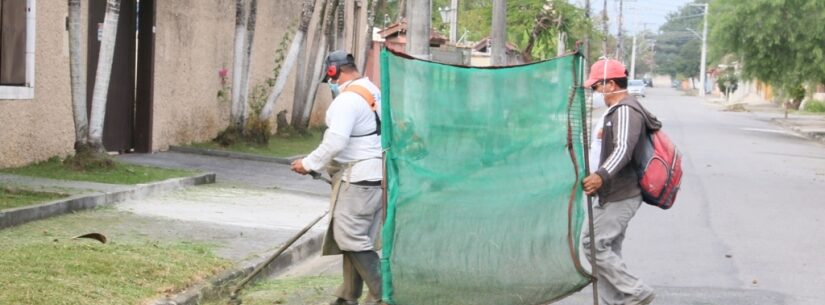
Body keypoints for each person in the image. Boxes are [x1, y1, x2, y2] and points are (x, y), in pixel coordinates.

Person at [291, 50, 383, 305]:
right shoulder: (373, 92)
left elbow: (336, 140)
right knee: (355, 238)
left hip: (359, 179)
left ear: (333, 71)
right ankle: (347, 296)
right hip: (375, 178)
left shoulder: (347, 100)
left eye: (330, 77)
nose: (330, 83)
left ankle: (385, 293)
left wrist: (309, 163)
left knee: (349, 236)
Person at [581, 59, 662, 305]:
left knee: (592, 244)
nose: (594, 92)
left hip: (620, 192)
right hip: (611, 192)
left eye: (596, 87)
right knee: (607, 248)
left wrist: (600, 176)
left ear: (610, 84)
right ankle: (617, 302)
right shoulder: (616, 110)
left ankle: (636, 292)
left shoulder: (626, 109)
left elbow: (623, 149)